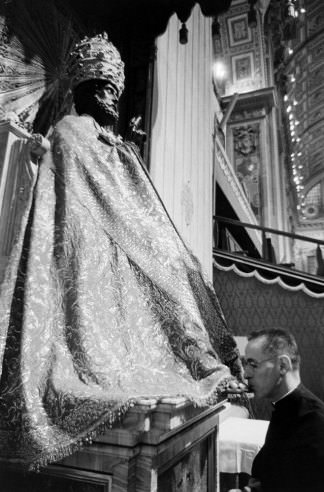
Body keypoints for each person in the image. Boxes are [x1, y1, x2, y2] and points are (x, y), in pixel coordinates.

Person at [0, 33, 243, 469]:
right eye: (103, 90)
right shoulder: (70, 132)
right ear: (84, 91)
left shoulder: (119, 147)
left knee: (178, 269)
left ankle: (202, 360)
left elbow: (140, 209)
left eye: (114, 90)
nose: (111, 99)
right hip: (82, 248)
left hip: (121, 247)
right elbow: (68, 207)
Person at [243, 329, 324, 492]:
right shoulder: (284, 408)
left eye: (253, 365)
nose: (246, 374)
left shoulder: (316, 423)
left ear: (282, 366)